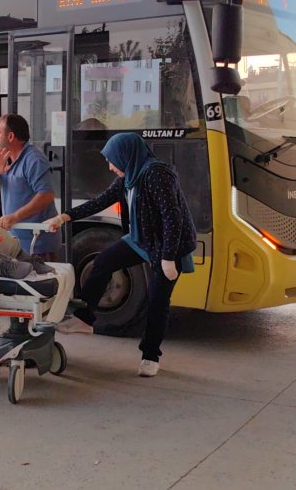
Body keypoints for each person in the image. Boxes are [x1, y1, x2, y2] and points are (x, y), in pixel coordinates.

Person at [45, 133, 196, 378]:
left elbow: (173, 219)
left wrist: (168, 257)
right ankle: (84, 319)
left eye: (112, 160)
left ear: (126, 155)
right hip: (141, 238)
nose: (110, 166)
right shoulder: (128, 178)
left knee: (158, 301)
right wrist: (65, 217)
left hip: (169, 244)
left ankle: (150, 356)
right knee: (103, 262)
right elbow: (100, 201)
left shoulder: (157, 174)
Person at [0, 114, 60, 257]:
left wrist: (15, 217)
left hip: (38, 244)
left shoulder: (34, 160)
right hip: (15, 243)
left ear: (10, 137)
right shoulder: (4, 157)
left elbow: (46, 195)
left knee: (39, 279)